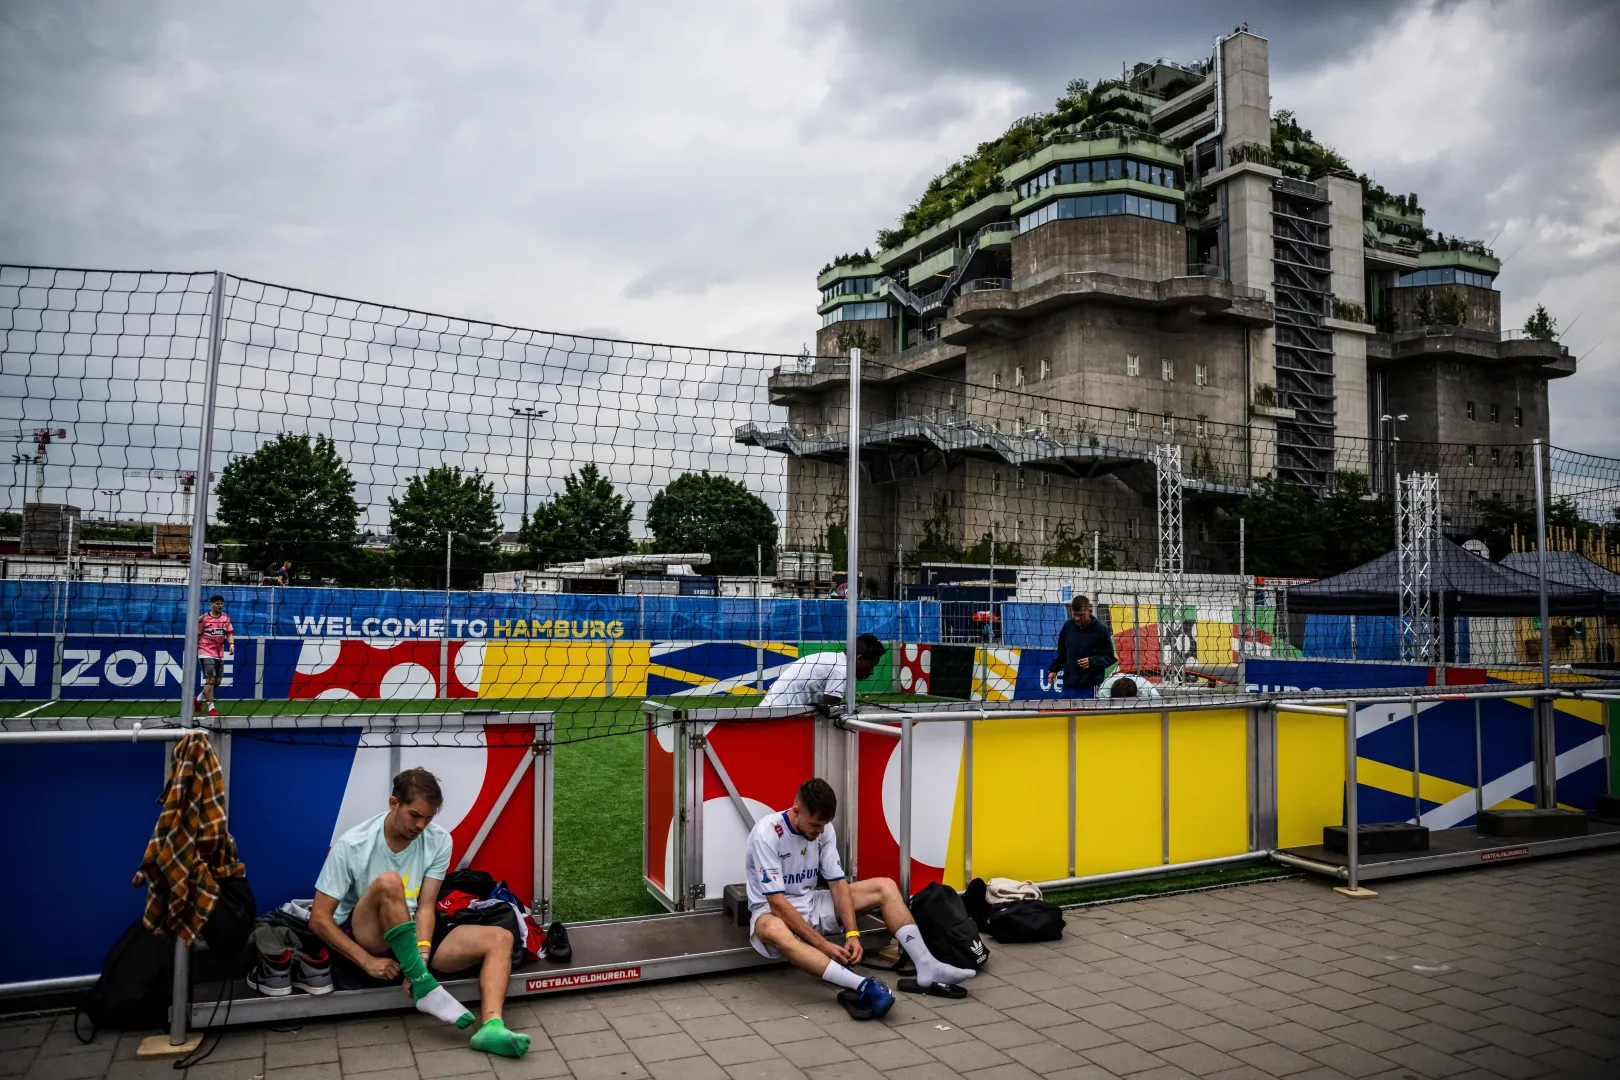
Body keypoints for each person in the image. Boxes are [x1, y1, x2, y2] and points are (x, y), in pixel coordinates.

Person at [309, 768, 531, 1060]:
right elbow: (319, 918)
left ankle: (491, 1027)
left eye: (428, 817)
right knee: (390, 882)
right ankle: (423, 984)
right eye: (415, 815)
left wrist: (423, 956)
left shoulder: (439, 840)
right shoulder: (352, 844)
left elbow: (426, 906)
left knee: (500, 938)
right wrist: (367, 961)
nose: (421, 825)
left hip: (416, 931)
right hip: (371, 933)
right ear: (393, 803)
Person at [746, 778, 976, 1018]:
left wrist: (852, 933)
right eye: (815, 825)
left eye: (824, 825)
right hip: (771, 910)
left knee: (885, 887)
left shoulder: (823, 831)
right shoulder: (767, 834)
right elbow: (777, 903)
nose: (820, 831)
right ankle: (860, 984)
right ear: (796, 811)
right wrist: (823, 945)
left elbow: (837, 883)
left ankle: (927, 965)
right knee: (772, 930)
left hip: (812, 901)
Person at [760, 633, 886, 708]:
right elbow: (830, 710)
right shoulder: (842, 670)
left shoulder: (834, 659)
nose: (872, 672)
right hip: (777, 716)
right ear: (859, 659)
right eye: (871, 666)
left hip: (772, 709)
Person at [1048, 595, 1116, 696]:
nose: (1077, 618)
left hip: (1090, 687)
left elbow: (1110, 658)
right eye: (1074, 615)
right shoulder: (1068, 626)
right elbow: (1063, 654)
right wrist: (1054, 669)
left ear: (1090, 610)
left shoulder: (1100, 630)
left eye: (1080, 615)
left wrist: (1092, 661)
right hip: (1069, 686)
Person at [194, 594, 233, 717]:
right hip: (205, 651)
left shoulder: (226, 618)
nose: (220, 606)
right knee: (209, 680)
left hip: (219, 653)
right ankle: (211, 708)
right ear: (211, 604)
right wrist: (195, 649)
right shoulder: (203, 619)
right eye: (217, 603)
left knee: (217, 681)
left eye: (221, 603)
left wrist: (232, 644)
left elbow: (229, 633)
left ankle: (199, 699)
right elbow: (196, 634)